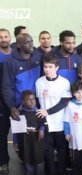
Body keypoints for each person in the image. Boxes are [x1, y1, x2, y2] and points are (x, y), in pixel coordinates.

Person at [35, 54, 71, 175]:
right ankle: (50, 171)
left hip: (60, 122)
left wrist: (48, 111)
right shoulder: (39, 82)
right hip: (45, 123)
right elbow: (37, 101)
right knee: (47, 149)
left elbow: (64, 102)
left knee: (61, 149)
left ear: (57, 67)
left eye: (50, 66)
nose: (47, 69)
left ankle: (60, 171)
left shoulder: (64, 82)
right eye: (45, 67)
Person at [2, 33, 42, 121]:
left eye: (31, 41)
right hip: (19, 106)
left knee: (38, 133)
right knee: (22, 134)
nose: (31, 44)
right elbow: (7, 87)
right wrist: (12, 107)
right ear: (19, 45)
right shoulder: (9, 63)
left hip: (38, 104)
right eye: (27, 42)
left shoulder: (38, 56)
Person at [16, 90, 46, 175]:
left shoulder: (39, 112)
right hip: (25, 143)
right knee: (27, 161)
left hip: (37, 142)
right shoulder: (19, 113)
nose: (31, 101)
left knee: (39, 161)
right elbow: (16, 131)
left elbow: (42, 124)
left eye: (33, 99)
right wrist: (15, 142)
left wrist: (41, 130)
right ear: (22, 101)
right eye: (28, 99)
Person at [0, 28, 12, 175]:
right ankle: (3, 163)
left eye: (5, 36)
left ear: (10, 38)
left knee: (23, 134)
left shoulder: (16, 54)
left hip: (17, 101)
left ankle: (25, 159)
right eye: (0, 37)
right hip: (2, 103)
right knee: (2, 135)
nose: (3, 39)